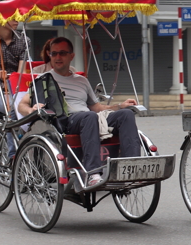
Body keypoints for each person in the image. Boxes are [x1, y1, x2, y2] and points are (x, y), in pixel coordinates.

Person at [19, 36, 140, 188]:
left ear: (71, 56)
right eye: (54, 53)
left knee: (126, 115)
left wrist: (120, 106)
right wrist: (32, 109)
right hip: (66, 120)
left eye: (62, 53)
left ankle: (132, 168)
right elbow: (21, 105)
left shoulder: (82, 81)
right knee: (89, 117)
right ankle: (93, 173)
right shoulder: (43, 79)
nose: (57, 57)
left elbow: (96, 107)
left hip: (90, 117)